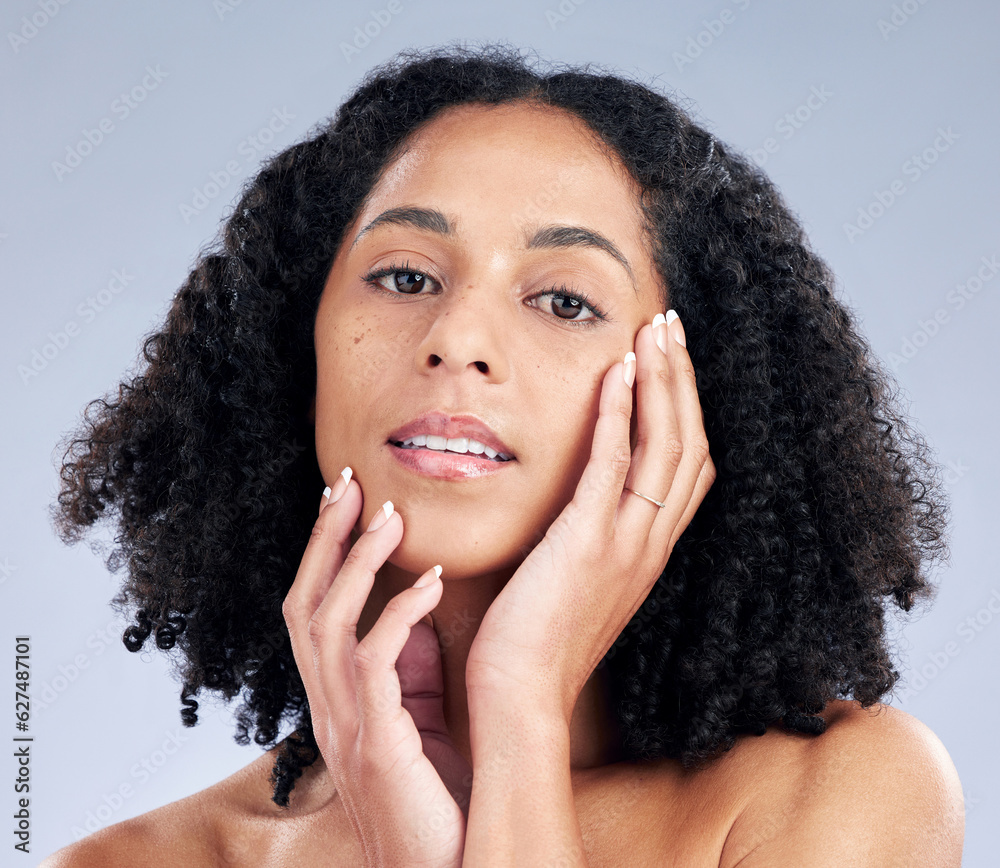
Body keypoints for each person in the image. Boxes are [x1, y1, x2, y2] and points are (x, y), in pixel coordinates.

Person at [43, 42, 964, 866]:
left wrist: (520, 705)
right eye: (405, 276)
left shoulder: (839, 797)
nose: (457, 338)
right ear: (297, 347)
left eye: (564, 301)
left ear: (686, 390)